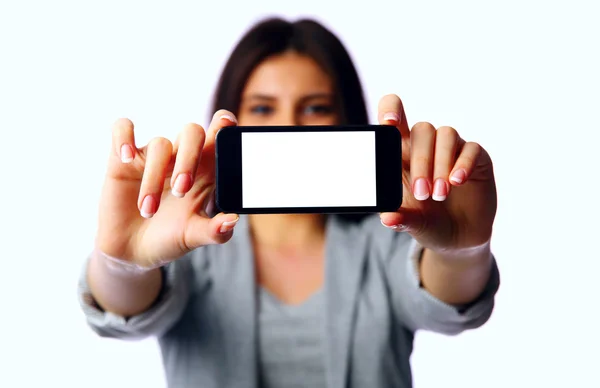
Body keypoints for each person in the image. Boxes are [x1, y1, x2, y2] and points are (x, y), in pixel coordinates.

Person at [78, 17, 500, 388]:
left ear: (346, 120)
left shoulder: (388, 235)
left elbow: (448, 303)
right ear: (233, 121)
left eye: (315, 108)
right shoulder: (188, 241)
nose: (287, 128)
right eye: (262, 108)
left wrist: (463, 250)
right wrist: (122, 262)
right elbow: (127, 310)